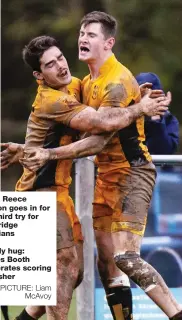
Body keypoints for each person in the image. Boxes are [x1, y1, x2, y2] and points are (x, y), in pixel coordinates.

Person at [19, 12, 182, 320]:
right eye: (81, 33)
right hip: (99, 179)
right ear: (39, 74)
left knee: (122, 258)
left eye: (90, 34)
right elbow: (89, 125)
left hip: (131, 172)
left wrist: (140, 107)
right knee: (100, 265)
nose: (82, 38)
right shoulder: (84, 84)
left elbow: (97, 140)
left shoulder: (115, 81)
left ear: (109, 43)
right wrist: (141, 107)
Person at [136, 72, 179, 155]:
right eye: (144, 97)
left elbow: (163, 152)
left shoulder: (169, 120)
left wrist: (156, 120)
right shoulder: (126, 117)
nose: (149, 102)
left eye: (153, 97)